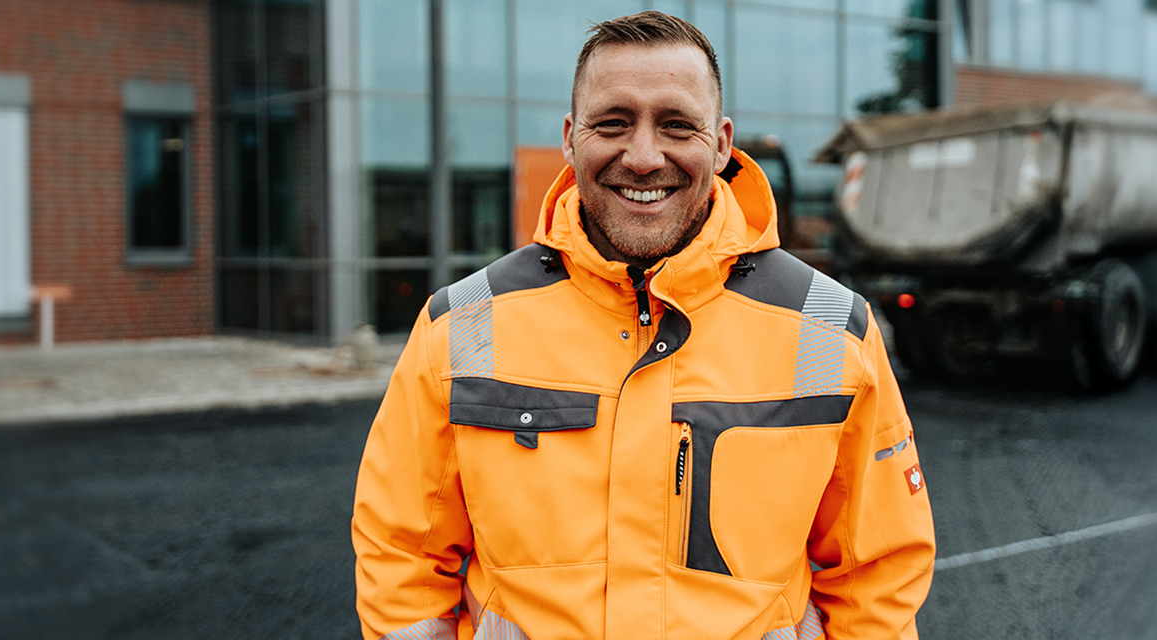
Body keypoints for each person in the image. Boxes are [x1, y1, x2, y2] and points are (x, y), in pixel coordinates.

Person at [352, 11, 934, 640]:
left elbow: (875, 573)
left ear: (720, 144)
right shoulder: (462, 325)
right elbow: (401, 553)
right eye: (614, 123)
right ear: (572, 137)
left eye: (677, 125)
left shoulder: (830, 331)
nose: (643, 156)